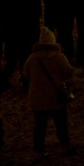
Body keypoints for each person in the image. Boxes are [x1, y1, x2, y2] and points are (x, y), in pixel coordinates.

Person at [20, 28, 76, 156]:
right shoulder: (59, 58)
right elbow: (68, 73)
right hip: (55, 97)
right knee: (61, 123)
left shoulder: (33, 58)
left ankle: (39, 150)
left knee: (40, 125)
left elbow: (25, 73)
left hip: (37, 97)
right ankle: (64, 146)